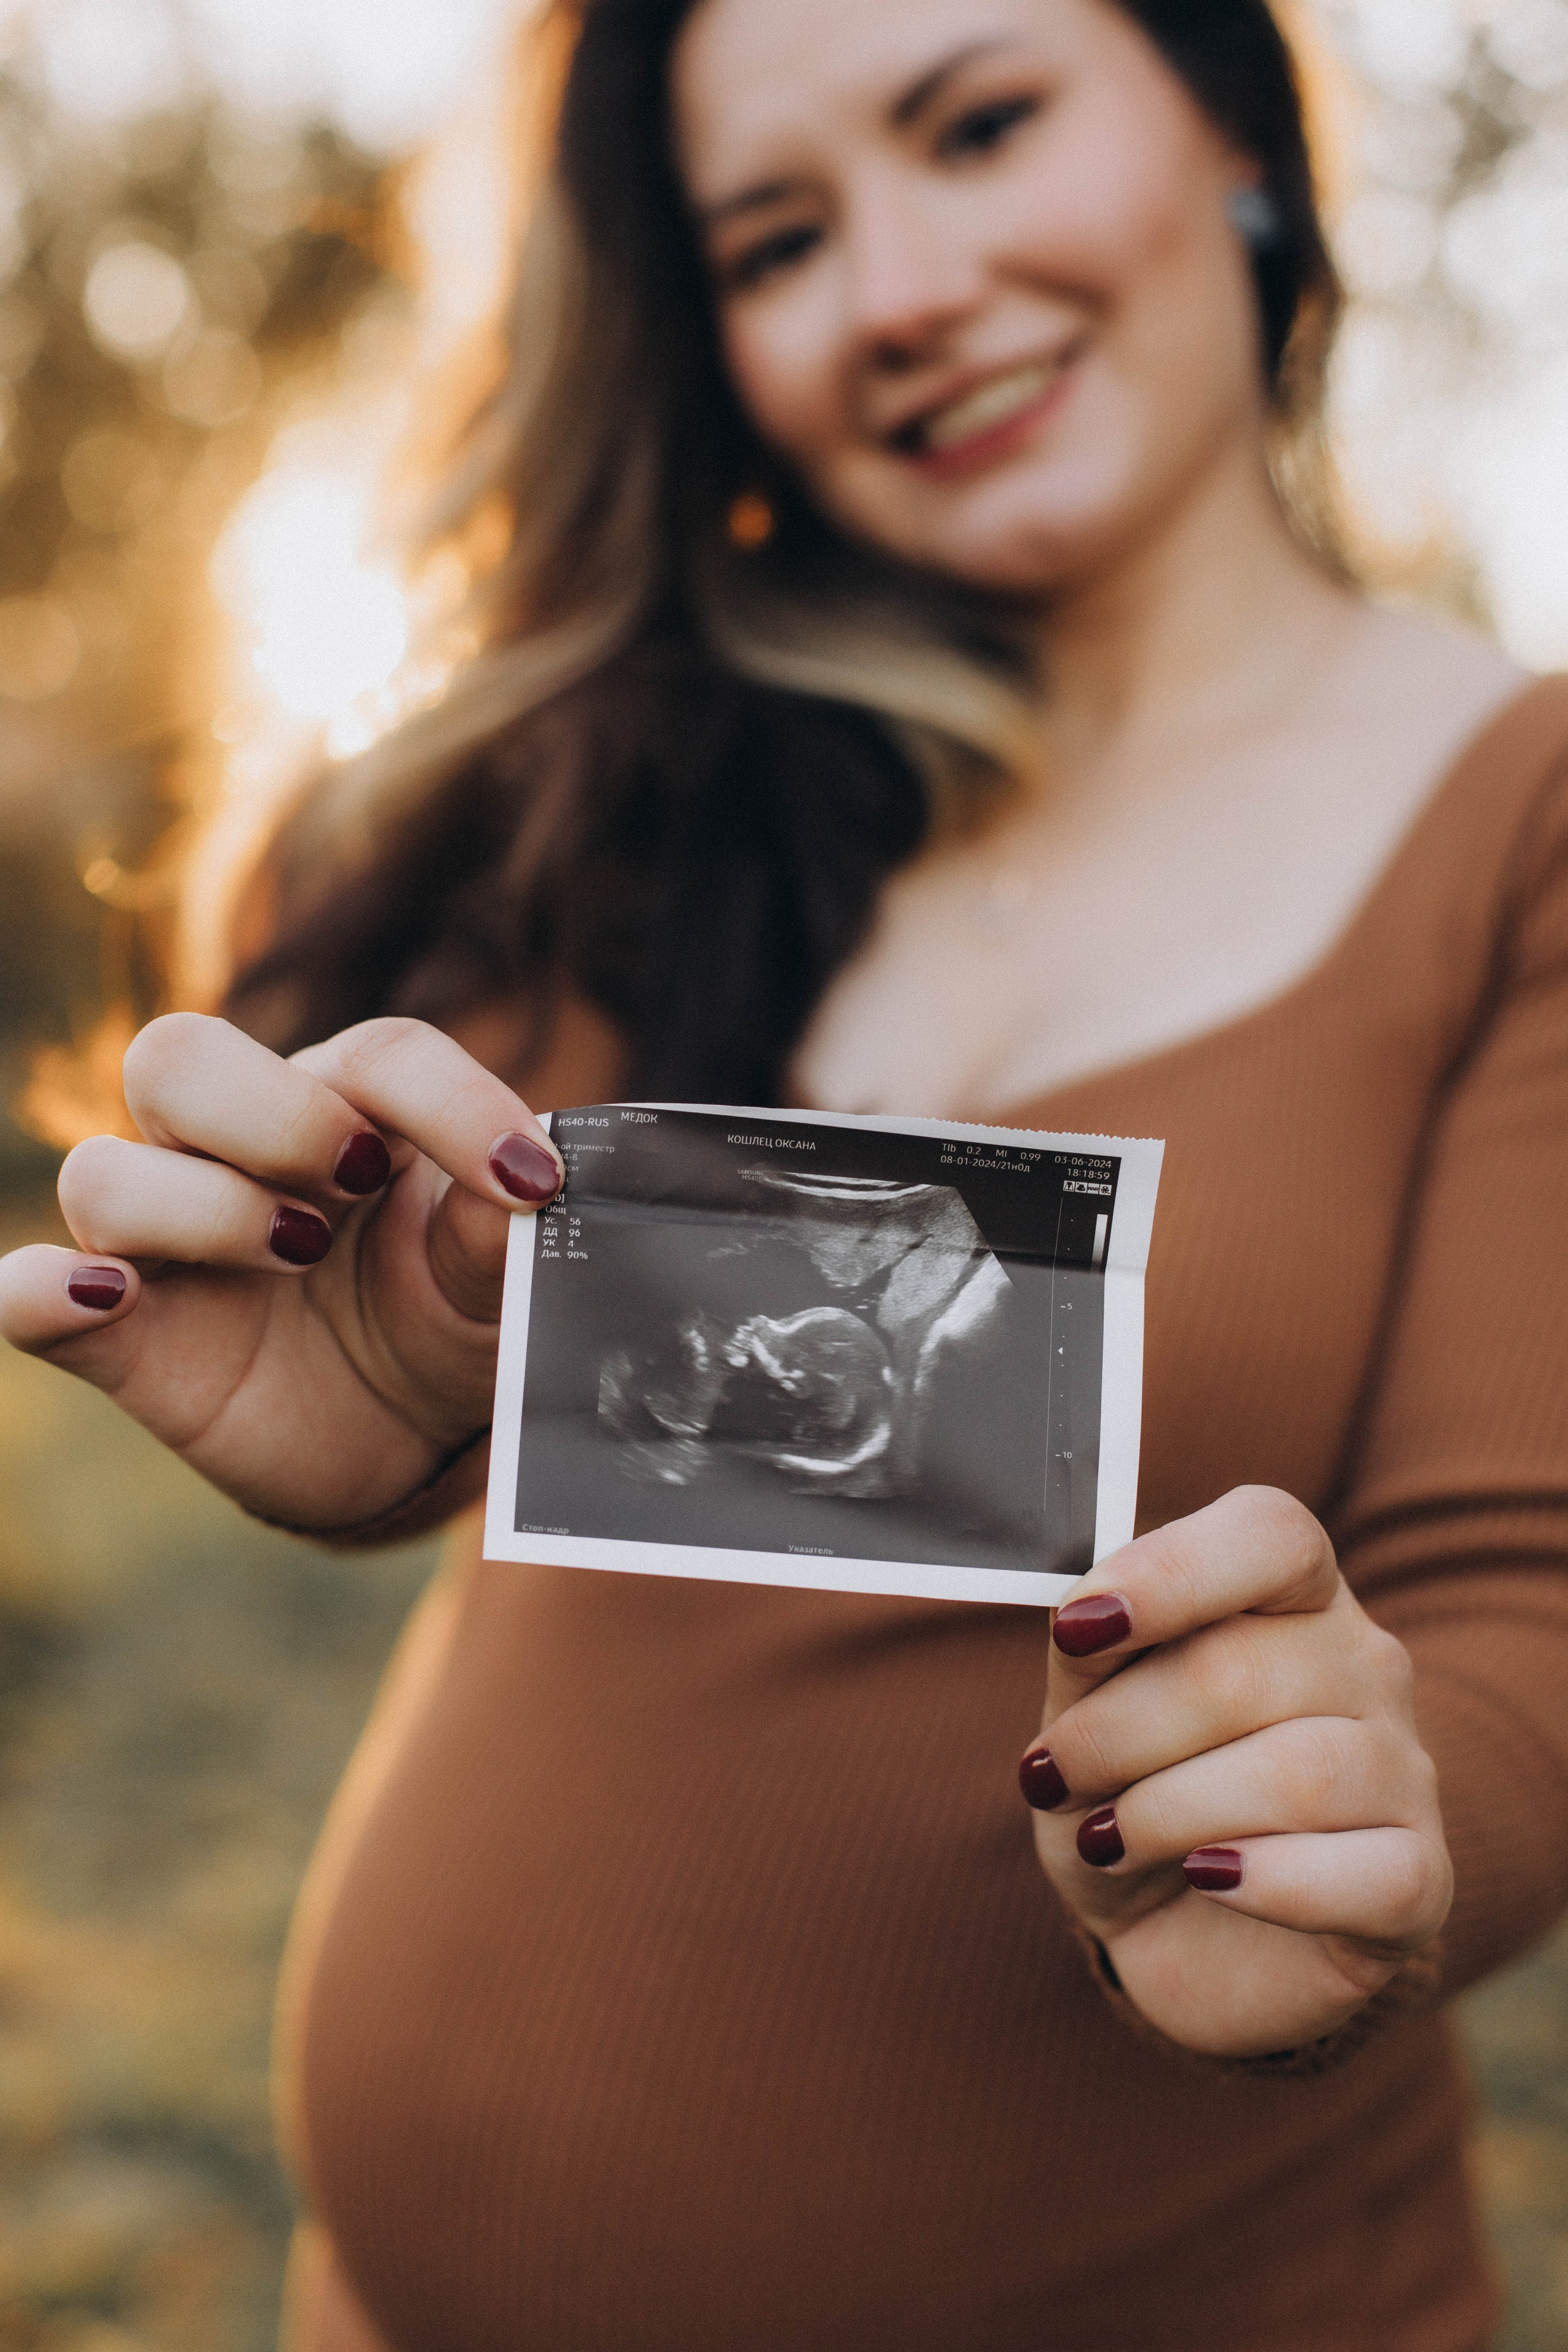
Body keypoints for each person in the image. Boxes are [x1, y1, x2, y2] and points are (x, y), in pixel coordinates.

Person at [4, 0, 1567, 2342]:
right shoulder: (676, 788)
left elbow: (1517, 1621)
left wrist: (1367, 1820)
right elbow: (491, 1393)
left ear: (1240, 129)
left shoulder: (1522, 822)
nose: (905, 285)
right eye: (777, 239)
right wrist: (382, 1412)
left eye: (983, 122)